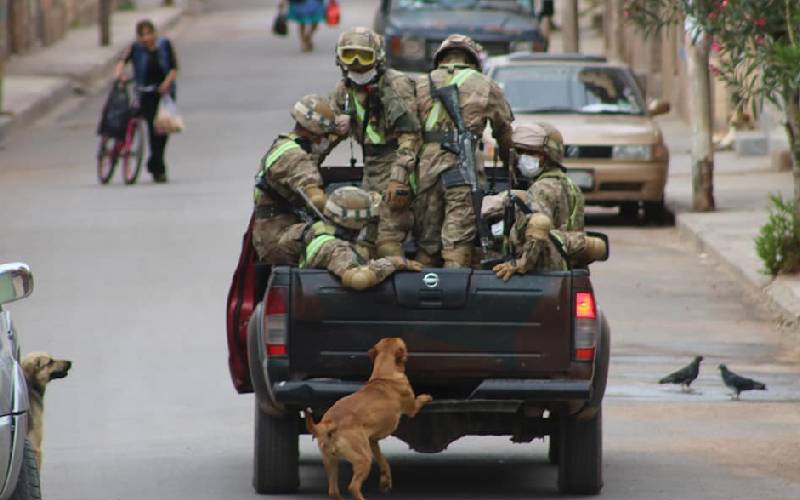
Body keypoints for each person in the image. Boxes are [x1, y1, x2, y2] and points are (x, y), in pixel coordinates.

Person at [414, 34, 514, 268]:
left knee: (426, 245)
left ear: (441, 59)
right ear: (473, 60)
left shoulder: (420, 83)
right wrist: (513, 165)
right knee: (457, 245)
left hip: (423, 172)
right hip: (463, 171)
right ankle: (453, 290)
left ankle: (422, 294)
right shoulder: (485, 84)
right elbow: (504, 133)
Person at [328, 27, 420, 259]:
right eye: (350, 55)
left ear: (377, 58)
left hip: (397, 164)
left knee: (387, 238)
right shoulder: (344, 90)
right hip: (370, 167)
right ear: (339, 57)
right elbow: (326, 134)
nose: (357, 63)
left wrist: (399, 178)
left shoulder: (396, 85)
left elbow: (411, 135)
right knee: (365, 237)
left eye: (364, 56)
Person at [492, 123, 606, 281]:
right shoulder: (571, 187)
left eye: (532, 153)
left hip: (543, 272)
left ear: (547, 157)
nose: (523, 157)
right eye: (521, 152)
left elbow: (539, 228)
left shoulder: (541, 189)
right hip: (567, 270)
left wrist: (522, 263)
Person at [276, 186, 423, 290]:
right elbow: (359, 280)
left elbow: (284, 246)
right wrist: (394, 263)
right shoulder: (337, 249)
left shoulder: (308, 230)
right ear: (355, 221)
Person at [251, 94, 335, 264]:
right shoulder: (295, 157)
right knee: (334, 234)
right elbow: (316, 199)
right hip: (277, 239)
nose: (326, 140)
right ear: (314, 132)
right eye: (325, 135)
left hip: (272, 232)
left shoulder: (286, 145)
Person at [115, 19, 178, 184]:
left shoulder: (164, 45)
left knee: (164, 131)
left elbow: (173, 68)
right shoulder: (136, 49)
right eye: (142, 35)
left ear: (154, 33)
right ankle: (158, 168)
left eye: (149, 34)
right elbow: (122, 61)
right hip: (146, 93)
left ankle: (154, 162)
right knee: (153, 129)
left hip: (163, 94)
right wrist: (120, 74)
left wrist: (166, 84)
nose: (146, 38)